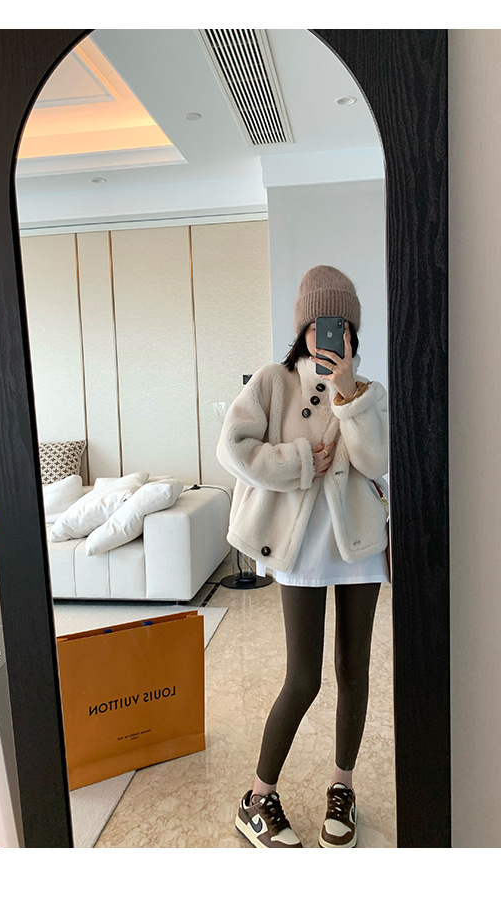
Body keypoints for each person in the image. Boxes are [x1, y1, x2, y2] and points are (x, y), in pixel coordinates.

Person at [217, 265, 389, 848]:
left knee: (354, 672)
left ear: (352, 333)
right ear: (303, 329)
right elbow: (233, 447)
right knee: (303, 678)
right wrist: (294, 461)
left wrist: (348, 396)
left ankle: (343, 788)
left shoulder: (365, 393)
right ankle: (257, 798)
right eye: (318, 324)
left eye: (339, 325)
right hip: (299, 549)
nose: (328, 335)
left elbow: (375, 462)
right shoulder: (274, 382)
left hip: (358, 544)